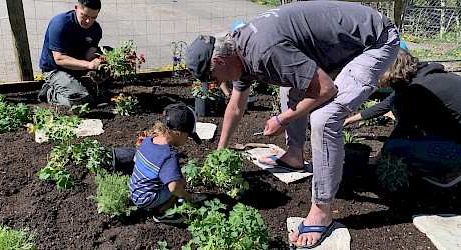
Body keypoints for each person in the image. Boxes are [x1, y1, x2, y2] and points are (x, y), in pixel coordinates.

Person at [185, 1, 399, 248]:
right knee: (290, 88)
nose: (213, 84)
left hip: (373, 40)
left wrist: (282, 119)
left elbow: (326, 90)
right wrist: (221, 149)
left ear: (219, 61)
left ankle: (322, 210)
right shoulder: (238, 53)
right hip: (342, 42)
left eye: (211, 79)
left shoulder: (264, 50)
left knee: (324, 119)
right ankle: (294, 156)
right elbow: (235, 105)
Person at [345, 48, 461, 186]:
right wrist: (348, 120)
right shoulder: (423, 78)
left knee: (395, 147)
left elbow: (405, 126)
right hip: (453, 133)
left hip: (457, 146)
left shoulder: (417, 91)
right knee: (396, 102)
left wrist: (380, 156)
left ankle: (453, 169)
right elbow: (386, 104)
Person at [129, 103, 205, 224]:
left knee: (178, 180)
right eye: (188, 137)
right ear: (180, 133)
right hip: (147, 199)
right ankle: (162, 213)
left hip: (135, 191)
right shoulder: (169, 154)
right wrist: (186, 196)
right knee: (180, 185)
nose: (186, 141)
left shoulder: (149, 140)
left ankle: (161, 202)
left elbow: (135, 159)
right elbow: (173, 188)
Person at [37, 0, 103, 107]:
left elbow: (89, 55)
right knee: (82, 102)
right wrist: (89, 65)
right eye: (84, 15)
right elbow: (60, 59)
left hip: (77, 67)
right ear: (76, 8)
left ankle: (81, 86)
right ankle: (49, 93)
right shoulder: (60, 24)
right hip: (55, 70)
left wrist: (99, 64)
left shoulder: (96, 29)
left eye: (93, 18)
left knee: (108, 54)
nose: (88, 21)